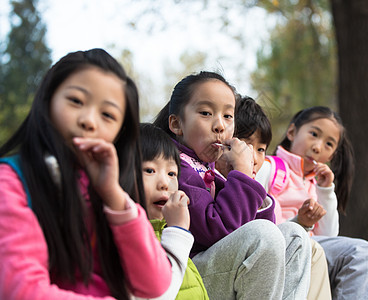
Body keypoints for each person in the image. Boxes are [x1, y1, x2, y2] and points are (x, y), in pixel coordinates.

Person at [0, 49, 172, 300]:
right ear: (48, 99)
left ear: (120, 133)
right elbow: (21, 289)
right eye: (76, 101)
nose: (89, 121)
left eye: (108, 115)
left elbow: (155, 284)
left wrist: (113, 195)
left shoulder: (106, 192)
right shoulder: (12, 182)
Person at [153, 71, 312, 299]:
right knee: (264, 235)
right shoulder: (175, 166)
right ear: (177, 124)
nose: (219, 126)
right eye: (206, 113)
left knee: (294, 236)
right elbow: (215, 231)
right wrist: (242, 176)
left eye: (228, 116)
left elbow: (263, 231)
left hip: (219, 265)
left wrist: (243, 176)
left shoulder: (208, 167)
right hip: (189, 274)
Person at [255, 106, 368, 299]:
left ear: (331, 156)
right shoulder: (271, 168)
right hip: (284, 249)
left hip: (313, 253)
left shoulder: (318, 184)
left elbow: (329, 236)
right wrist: (299, 221)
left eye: (328, 144)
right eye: (314, 134)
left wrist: (325, 190)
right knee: (360, 252)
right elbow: (254, 221)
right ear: (292, 132)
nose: (317, 147)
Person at [215, 95, 331, 300]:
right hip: (219, 267)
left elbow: (329, 234)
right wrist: (242, 177)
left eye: (261, 149)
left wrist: (326, 191)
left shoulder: (312, 182)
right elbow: (229, 232)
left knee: (299, 236)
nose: (255, 157)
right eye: (246, 145)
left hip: (265, 257)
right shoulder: (211, 181)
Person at [136, 122, 208, 300]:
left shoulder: (165, 232)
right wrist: (178, 230)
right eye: (150, 170)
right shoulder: (132, 240)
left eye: (171, 173)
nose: (164, 184)